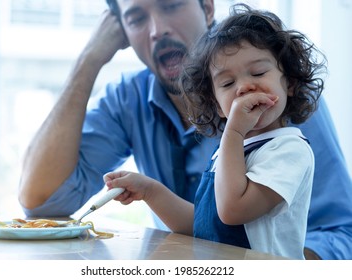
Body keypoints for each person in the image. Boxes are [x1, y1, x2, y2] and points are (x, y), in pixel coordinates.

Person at [18, 0, 352, 259]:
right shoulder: (128, 100)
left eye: (171, 4)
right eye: (136, 18)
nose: (157, 30)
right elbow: (42, 202)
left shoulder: (275, 105)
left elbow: (340, 232)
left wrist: (272, 262)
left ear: (207, 7)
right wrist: (90, 59)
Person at [103, 3, 324, 259]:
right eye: (228, 83)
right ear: (217, 106)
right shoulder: (231, 150)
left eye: (259, 72)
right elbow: (204, 225)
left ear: (291, 84)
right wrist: (151, 191)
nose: (244, 87)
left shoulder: (288, 149)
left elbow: (232, 211)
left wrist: (233, 133)